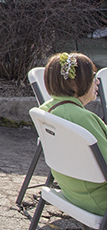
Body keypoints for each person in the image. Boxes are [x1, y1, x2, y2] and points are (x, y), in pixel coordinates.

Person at [39, 52, 107, 215]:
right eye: (92, 76)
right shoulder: (82, 118)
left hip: (75, 193)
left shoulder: (47, 110)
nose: (97, 81)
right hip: (99, 200)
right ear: (74, 84)